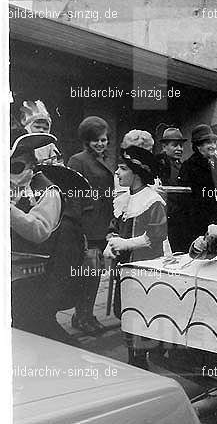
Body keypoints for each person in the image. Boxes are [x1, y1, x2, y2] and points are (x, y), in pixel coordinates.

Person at [10, 128, 79, 345]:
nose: (26, 169)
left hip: (31, 282)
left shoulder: (48, 191)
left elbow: (39, 231)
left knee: (36, 337)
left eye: (22, 164)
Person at [104, 144, 167, 369]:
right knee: (126, 312)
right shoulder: (123, 199)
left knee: (142, 314)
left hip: (145, 267)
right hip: (125, 266)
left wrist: (126, 243)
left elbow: (155, 236)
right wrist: (111, 243)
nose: (117, 174)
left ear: (137, 172)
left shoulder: (153, 200)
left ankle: (142, 360)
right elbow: (114, 227)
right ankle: (134, 357)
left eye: (122, 169)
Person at [66, 116, 114, 334]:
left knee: (95, 275)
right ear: (86, 140)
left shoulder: (104, 160)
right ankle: (81, 315)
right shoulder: (77, 161)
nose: (100, 144)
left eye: (103, 139)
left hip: (102, 225)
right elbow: (72, 195)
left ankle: (86, 314)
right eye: (95, 140)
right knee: (88, 273)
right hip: (86, 226)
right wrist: (78, 227)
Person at [178, 124, 217, 249]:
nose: (213, 146)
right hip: (197, 222)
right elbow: (185, 201)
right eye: (208, 143)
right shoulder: (188, 166)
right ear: (198, 146)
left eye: (214, 142)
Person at [19, 100, 63, 165]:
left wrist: (54, 164)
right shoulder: (21, 144)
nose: (41, 130)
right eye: (37, 127)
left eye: (45, 128)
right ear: (28, 127)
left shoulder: (50, 146)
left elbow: (58, 162)